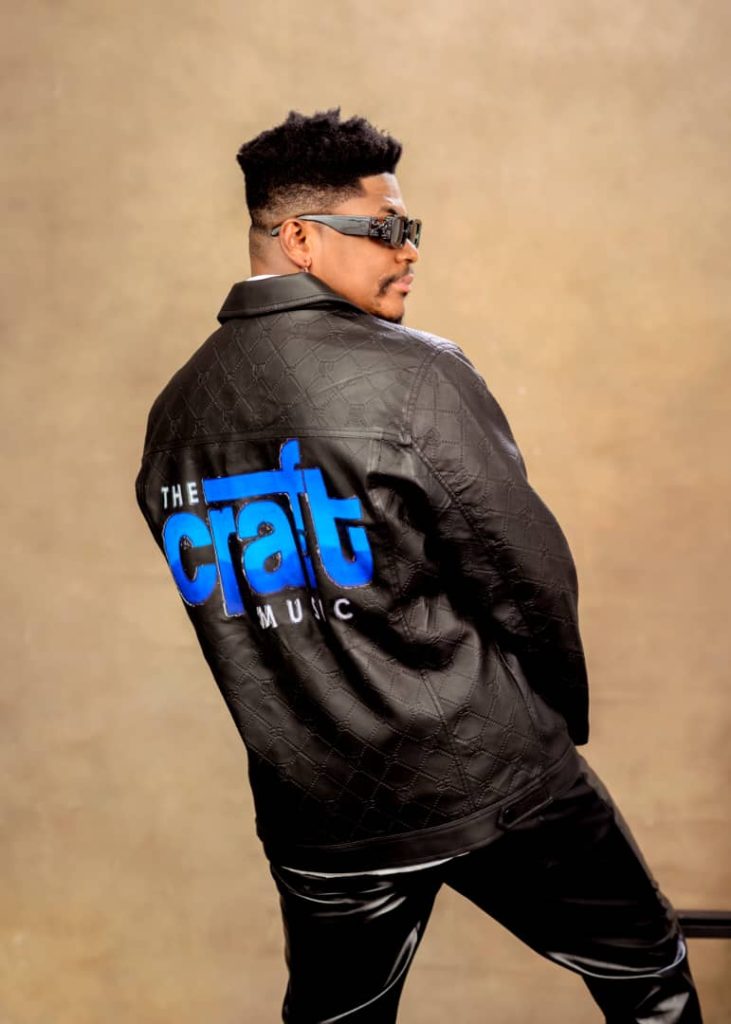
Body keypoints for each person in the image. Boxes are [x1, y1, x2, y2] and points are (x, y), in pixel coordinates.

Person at [135, 108, 702, 1022]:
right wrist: (552, 731)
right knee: (649, 982)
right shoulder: (414, 375)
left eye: (412, 229)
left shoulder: (174, 416)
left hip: (318, 809)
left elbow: (247, 619)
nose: (409, 252)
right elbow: (526, 578)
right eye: (386, 229)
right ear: (301, 239)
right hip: (490, 777)